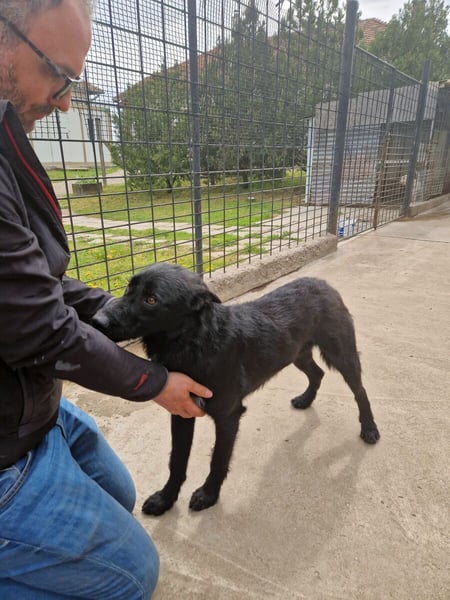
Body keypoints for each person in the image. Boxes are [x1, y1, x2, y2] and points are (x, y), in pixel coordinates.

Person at [0, 1, 212, 598]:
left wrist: (118, 310)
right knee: (130, 576)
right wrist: (153, 382)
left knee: (119, 495)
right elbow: (40, 330)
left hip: (25, 412)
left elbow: (30, 285)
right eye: (58, 74)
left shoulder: (5, 138)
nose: (66, 101)